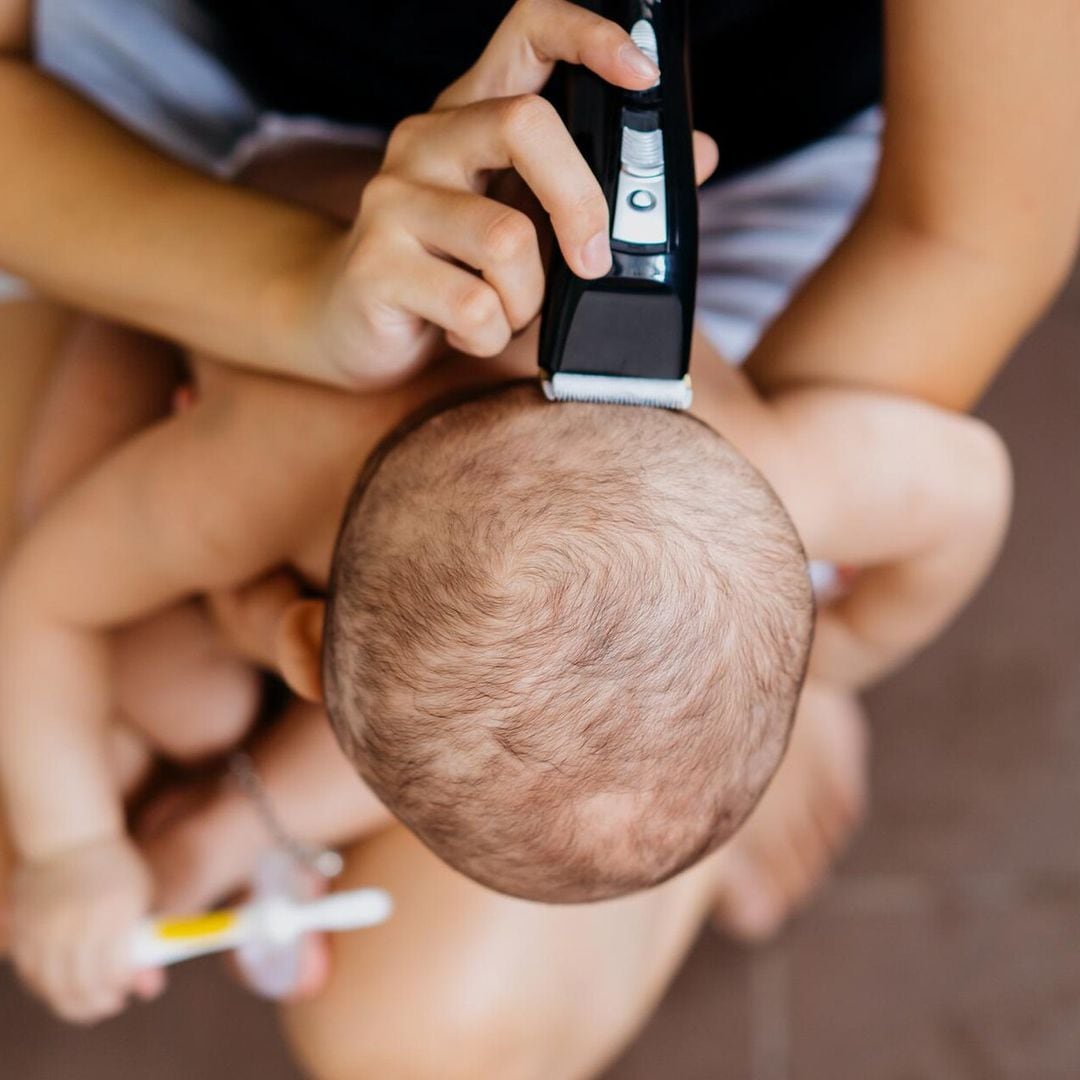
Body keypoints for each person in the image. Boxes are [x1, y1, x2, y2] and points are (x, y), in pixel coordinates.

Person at [0, 139, 1011, 1043]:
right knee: (170, 695)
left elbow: (971, 486)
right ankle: (228, 805)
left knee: (270, 710)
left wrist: (827, 659)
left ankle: (230, 815)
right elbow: (44, 600)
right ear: (301, 650)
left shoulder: (783, 471)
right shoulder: (255, 468)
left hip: (425, 467)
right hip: (250, 244)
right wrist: (70, 850)